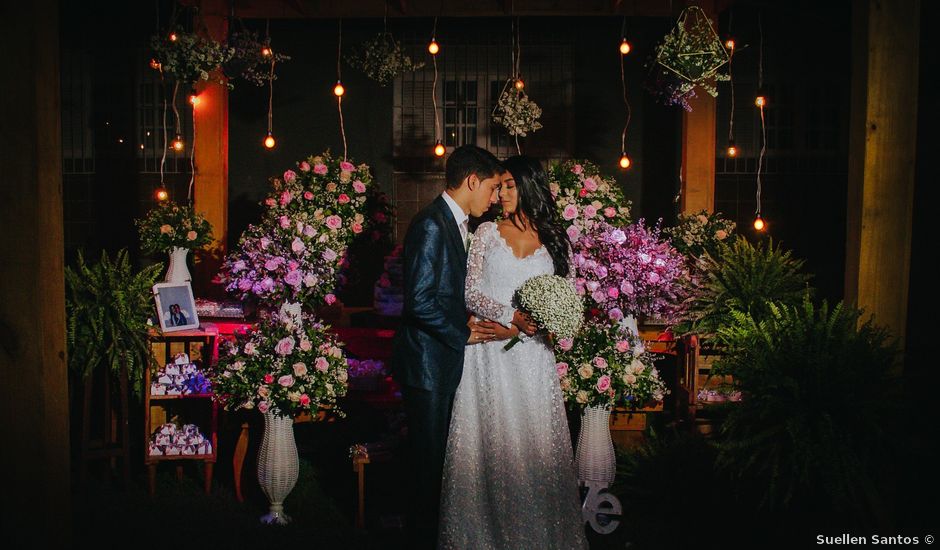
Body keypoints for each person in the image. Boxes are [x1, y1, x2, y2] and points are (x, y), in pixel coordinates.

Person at [439, 155, 588, 549]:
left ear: (528, 187)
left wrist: (532, 325)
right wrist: (511, 317)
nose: (500, 194)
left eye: (508, 185)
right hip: (488, 355)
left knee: (533, 446)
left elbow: (566, 303)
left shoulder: (556, 241)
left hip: (533, 360)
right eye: (498, 186)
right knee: (490, 446)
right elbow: (470, 292)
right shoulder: (486, 233)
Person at [391, 145, 504, 549]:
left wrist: (465, 318)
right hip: (427, 366)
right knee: (428, 464)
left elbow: (442, 295)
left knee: (436, 462)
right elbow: (419, 301)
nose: (494, 199)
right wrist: (462, 334)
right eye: (492, 188)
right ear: (472, 181)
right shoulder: (432, 225)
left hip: (437, 361)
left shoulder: (452, 222)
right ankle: (421, 538)